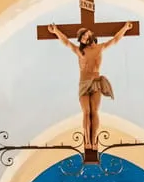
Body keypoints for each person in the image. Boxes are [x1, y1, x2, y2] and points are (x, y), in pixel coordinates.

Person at [47, 21, 132, 151]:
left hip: (96, 82)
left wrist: (125, 28)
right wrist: (56, 31)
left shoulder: (100, 48)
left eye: (85, 35)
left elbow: (115, 40)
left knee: (94, 111)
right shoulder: (80, 51)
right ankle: (87, 140)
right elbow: (67, 42)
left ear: (91, 35)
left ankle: (94, 139)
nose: (84, 38)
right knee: (86, 112)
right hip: (84, 84)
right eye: (82, 37)